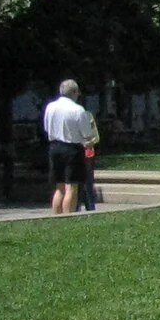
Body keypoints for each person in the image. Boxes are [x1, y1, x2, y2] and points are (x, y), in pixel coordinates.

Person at [42, 79, 96, 217]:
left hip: (54, 147)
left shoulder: (50, 107)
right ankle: (69, 217)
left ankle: (56, 216)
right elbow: (87, 134)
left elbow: (47, 128)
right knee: (72, 186)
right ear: (74, 92)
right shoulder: (78, 109)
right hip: (72, 149)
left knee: (59, 187)